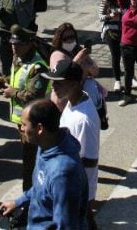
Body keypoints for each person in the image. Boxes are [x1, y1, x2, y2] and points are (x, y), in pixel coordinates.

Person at [0, 99, 89, 229]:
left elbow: (65, 225)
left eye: (24, 124)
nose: (21, 128)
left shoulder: (63, 173)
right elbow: (41, 188)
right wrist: (18, 202)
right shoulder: (45, 146)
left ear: (40, 128)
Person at [43, 59, 101, 229]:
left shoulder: (84, 119)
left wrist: (62, 166)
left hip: (78, 188)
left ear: (74, 84)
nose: (53, 86)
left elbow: (90, 160)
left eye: (59, 83)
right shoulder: (72, 102)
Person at [0, 24, 48, 193]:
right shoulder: (19, 59)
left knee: (31, 166)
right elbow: (19, 79)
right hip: (23, 123)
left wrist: (13, 93)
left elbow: (35, 95)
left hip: (34, 123)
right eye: (12, 44)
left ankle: (30, 201)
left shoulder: (37, 66)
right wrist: (5, 81)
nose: (13, 47)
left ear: (28, 45)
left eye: (17, 44)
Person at [99, 0, 123, 92]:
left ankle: (132, 77)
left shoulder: (124, 1)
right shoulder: (106, 1)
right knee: (116, 55)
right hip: (110, 30)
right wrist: (110, 16)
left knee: (127, 55)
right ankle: (117, 80)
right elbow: (100, 17)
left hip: (123, 30)